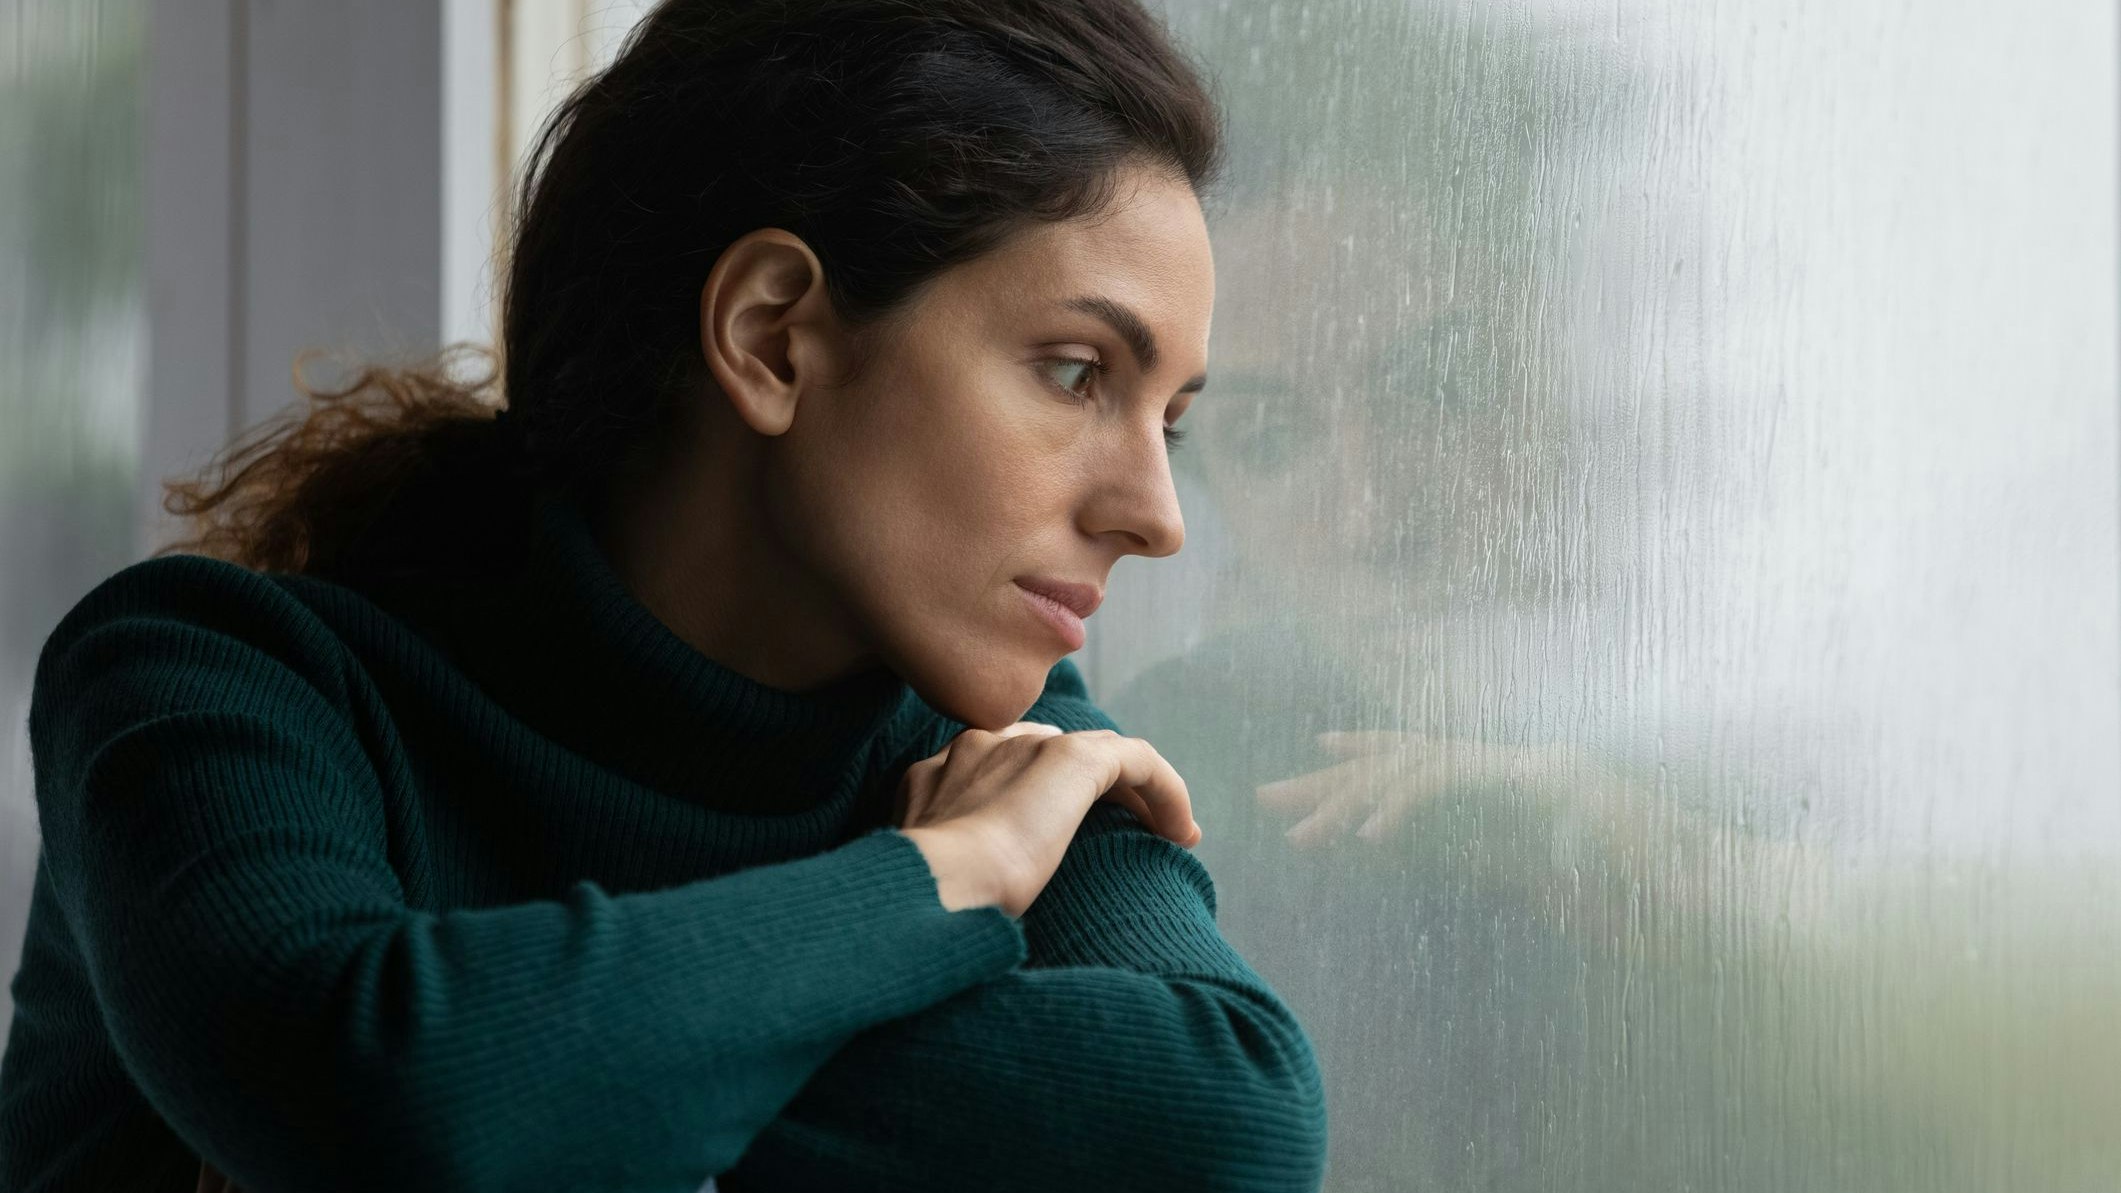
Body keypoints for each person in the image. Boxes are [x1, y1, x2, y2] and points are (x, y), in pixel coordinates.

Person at [0, 2, 1328, 1190]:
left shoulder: (1007, 741)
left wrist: (536, 1063)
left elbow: (1222, 1121)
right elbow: (388, 1102)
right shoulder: (208, 679)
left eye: (1176, 422)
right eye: (1076, 370)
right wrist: (948, 875)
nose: (1153, 515)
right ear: (770, 336)